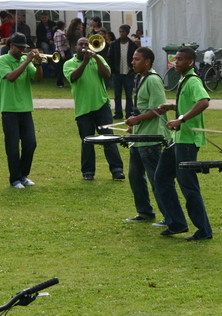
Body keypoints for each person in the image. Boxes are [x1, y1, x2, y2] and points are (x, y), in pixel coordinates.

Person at [154, 46, 213, 241]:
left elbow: (204, 101)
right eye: (175, 59)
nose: (175, 62)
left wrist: (181, 119)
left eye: (179, 59)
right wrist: (171, 107)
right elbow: (189, 103)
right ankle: (177, 223)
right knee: (161, 178)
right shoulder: (184, 80)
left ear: (189, 62)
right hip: (177, 139)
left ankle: (204, 230)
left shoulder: (194, 80)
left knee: (188, 186)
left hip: (187, 141)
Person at [63, 37, 125, 181]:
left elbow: (107, 75)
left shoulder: (98, 59)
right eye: (81, 44)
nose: (84, 46)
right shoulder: (69, 63)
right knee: (87, 141)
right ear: (75, 47)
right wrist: (84, 62)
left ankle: (117, 170)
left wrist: (96, 58)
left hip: (101, 105)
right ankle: (88, 172)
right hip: (83, 108)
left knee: (109, 138)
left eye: (86, 44)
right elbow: (73, 77)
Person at [123, 47, 170, 222]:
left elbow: (159, 110)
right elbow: (142, 107)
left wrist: (137, 120)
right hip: (138, 138)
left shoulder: (153, 80)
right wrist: (134, 123)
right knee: (135, 176)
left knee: (156, 179)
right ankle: (145, 212)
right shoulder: (140, 78)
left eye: (136, 59)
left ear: (147, 62)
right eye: (133, 59)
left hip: (151, 138)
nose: (132, 62)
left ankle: (169, 216)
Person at [0, 33, 43, 189]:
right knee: (13, 146)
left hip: (25, 108)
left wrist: (38, 64)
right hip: (9, 109)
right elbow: (10, 77)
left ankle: (23, 175)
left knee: (31, 143)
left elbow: (37, 79)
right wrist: (28, 60)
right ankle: (15, 178)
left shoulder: (25, 60)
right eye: (20, 47)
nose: (23, 50)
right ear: (11, 46)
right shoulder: (2, 60)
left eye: (24, 48)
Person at [107, 24, 138, 119]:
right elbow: (109, 57)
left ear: (127, 33)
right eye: (120, 32)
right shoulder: (114, 44)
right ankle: (118, 113)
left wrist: (133, 71)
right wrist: (112, 70)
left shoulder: (133, 45)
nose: (121, 33)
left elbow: (137, 58)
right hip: (117, 73)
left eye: (123, 32)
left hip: (128, 74)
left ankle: (129, 113)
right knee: (117, 95)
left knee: (129, 95)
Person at [53, 21, 70, 88]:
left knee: (62, 67)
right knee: (61, 68)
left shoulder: (59, 33)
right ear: (62, 26)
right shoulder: (59, 34)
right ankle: (59, 83)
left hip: (62, 50)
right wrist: (62, 54)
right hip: (60, 52)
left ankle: (61, 83)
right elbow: (59, 45)